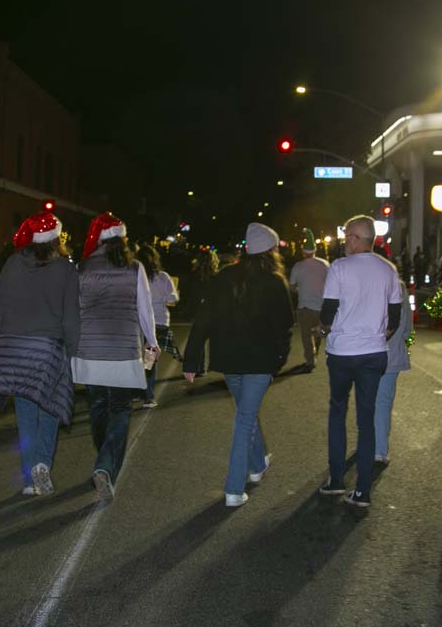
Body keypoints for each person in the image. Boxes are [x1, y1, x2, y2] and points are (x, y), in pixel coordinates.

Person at [183, 223, 294, 507]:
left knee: (247, 411)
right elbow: (284, 327)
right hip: (259, 361)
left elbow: (204, 318)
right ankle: (234, 488)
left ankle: (257, 466)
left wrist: (192, 358)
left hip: (230, 360)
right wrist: (278, 361)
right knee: (245, 418)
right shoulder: (274, 281)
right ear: (271, 251)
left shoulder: (224, 277)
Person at [0, 211, 80, 496]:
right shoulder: (66, 270)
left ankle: (29, 481)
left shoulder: (12, 264)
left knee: (25, 416)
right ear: (57, 238)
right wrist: (74, 353)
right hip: (48, 350)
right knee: (50, 410)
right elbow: (71, 317)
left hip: (13, 351)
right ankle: (43, 464)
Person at [316, 215, 404, 508]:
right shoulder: (389, 270)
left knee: (337, 413)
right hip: (373, 353)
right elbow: (395, 317)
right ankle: (363, 491)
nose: (344, 241)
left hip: (343, 354)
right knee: (366, 420)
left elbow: (328, 311)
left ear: (357, 238)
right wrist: (377, 333)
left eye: (347, 236)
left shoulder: (339, 268)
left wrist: (327, 328)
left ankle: (337, 480)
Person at [71, 212, 159, 502]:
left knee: (97, 405)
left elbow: (74, 308)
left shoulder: (83, 267)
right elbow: (145, 308)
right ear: (123, 239)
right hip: (122, 349)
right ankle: (105, 466)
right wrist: (152, 342)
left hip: (89, 349)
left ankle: (103, 462)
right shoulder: (135, 268)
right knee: (120, 409)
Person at [372, 240, 413, 465]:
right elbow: (407, 326)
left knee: (367, 399)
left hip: (365, 352)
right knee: (383, 402)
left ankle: (369, 443)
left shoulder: (364, 284)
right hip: (392, 353)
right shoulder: (399, 285)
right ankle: (380, 449)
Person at [136, 244, 179, 408]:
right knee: (150, 359)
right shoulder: (163, 277)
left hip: (138, 321)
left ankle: (136, 392)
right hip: (159, 321)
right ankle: (148, 397)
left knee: (138, 358)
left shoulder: (135, 275)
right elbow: (173, 298)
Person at [288, 228, 330, 373]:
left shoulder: (298, 266)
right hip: (321, 306)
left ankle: (310, 360)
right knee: (319, 332)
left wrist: (300, 289)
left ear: (303, 252)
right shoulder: (325, 264)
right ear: (315, 251)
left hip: (304, 306)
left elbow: (292, 286)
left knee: (306, 336)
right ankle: (316, 350)